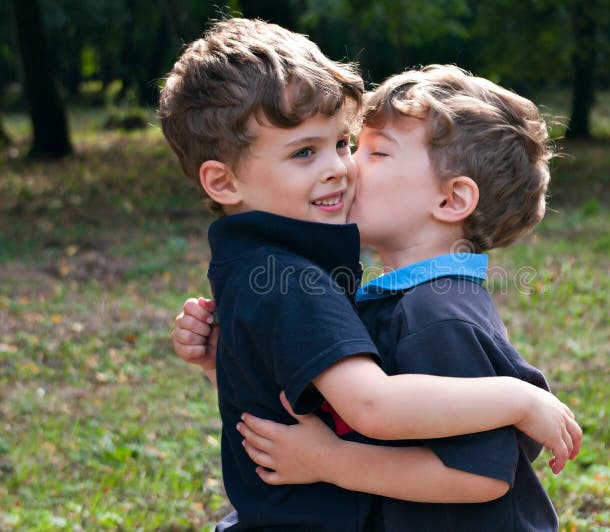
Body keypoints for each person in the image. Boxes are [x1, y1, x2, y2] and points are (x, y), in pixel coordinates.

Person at [162, 19, 580, 531]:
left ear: (451, 200)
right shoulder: (304, 276)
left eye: (360, 149)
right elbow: (296, 406)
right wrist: (225, 361)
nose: (348, 167)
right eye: (311, 151)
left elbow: (476, 469)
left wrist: (521, 397)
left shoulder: (435, 313)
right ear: (223, 182)